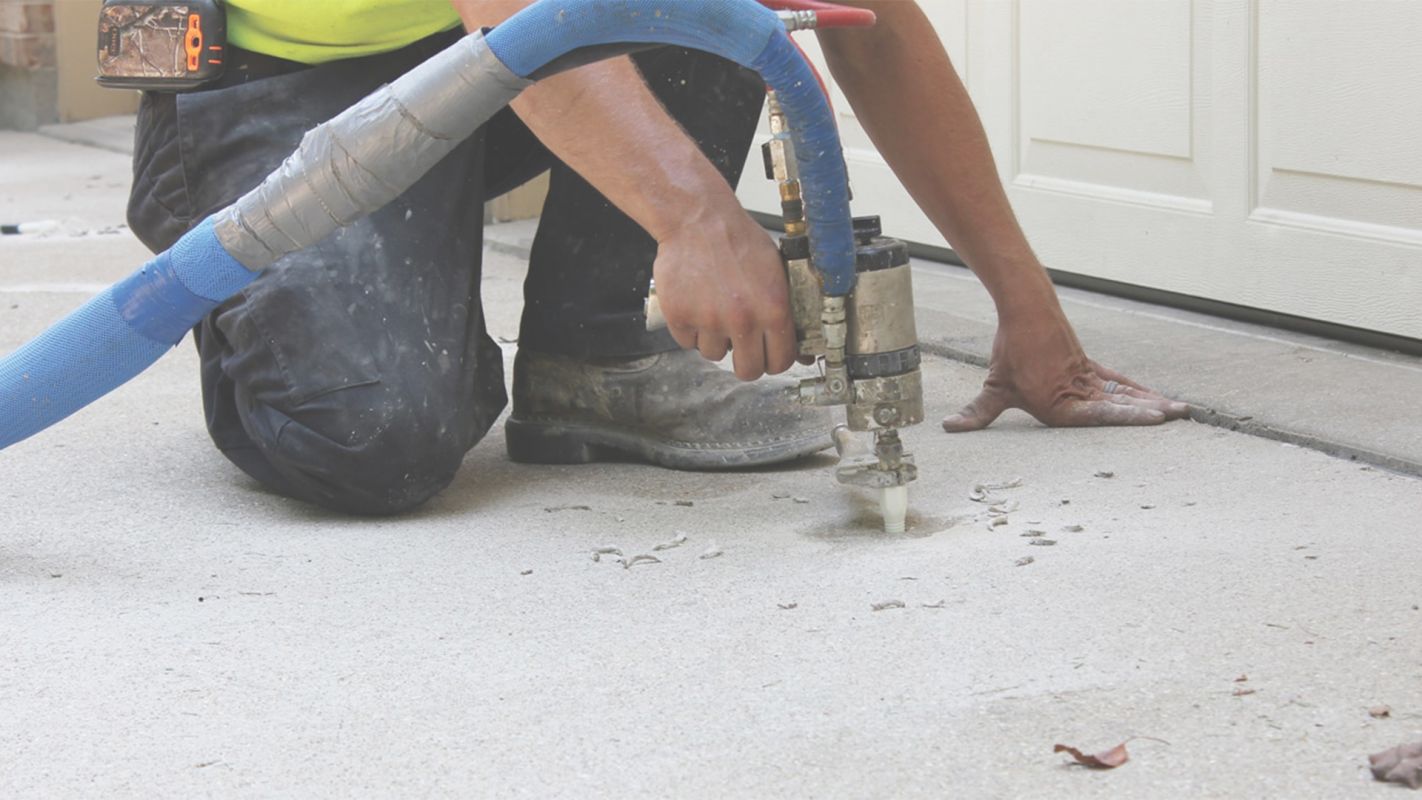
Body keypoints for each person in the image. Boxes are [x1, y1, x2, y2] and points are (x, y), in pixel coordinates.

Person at [126, 0, 1186, 516]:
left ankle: (589, 361)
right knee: (368, 438)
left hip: (488, 50)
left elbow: (876, 23)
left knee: (712, 6)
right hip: (278, 74)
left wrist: (1027, 307)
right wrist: (698, 217)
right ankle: (251, 282)